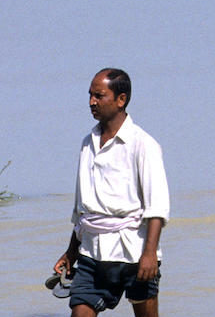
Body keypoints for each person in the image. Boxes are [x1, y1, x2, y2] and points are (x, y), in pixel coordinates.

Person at [52, 68, 170, 317]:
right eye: (90, 95)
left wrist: (149, 254)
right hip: (91, 255)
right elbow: (82, 209)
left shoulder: (143, 144)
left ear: (121, 99)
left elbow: (157, 207)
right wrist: (71, 252)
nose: (91, 102)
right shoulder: (88, 142)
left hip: (134, 253)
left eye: (99, 95)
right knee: (80, 311)